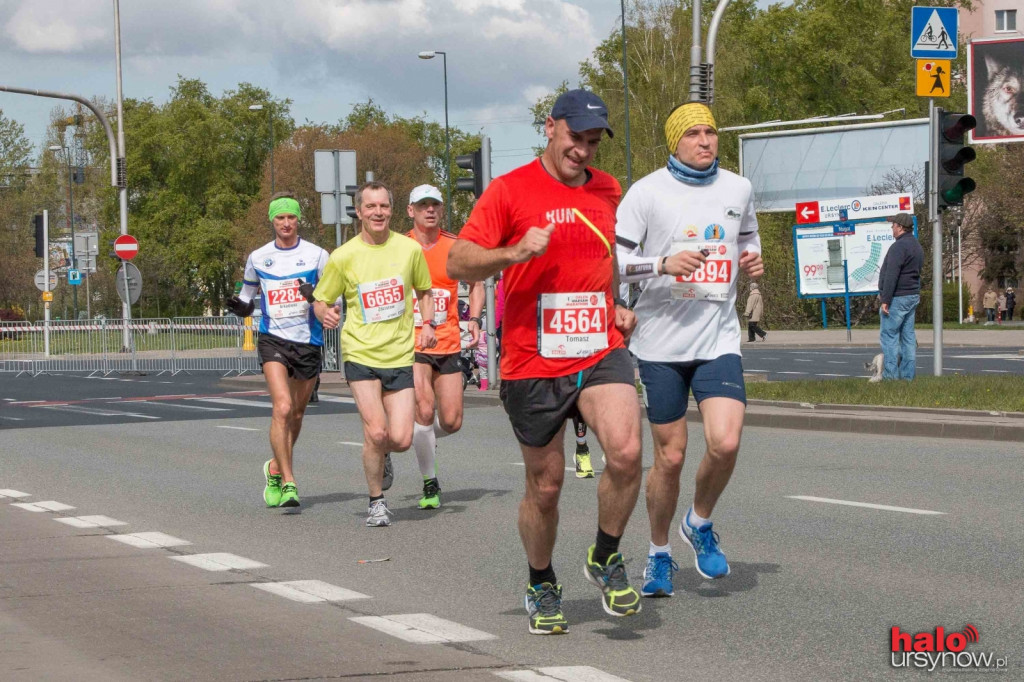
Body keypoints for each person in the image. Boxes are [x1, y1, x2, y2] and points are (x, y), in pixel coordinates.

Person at [448, 88, 644, 635]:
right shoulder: (510, 191)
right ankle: (540, 580)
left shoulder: (608, 189)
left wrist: (616, 307)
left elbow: (601, 256)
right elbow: (458, 259)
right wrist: (513, 253)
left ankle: (606, 554)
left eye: (592, 141)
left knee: (627, 453)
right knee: (547, 485)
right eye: (575, 137)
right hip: (533, 358)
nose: (583, 150)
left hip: (599, 346)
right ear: (550, 128)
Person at [615, 102, 763, 597]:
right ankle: (659, 554)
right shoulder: (646, 192)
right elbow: (615, 264)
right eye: (694, 134)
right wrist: (662, 263)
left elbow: (749, 239)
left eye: (711, 132)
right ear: (674, 141)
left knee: (725, 442)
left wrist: (753, 260)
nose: (705, 141)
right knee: (671, 458)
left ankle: (698, 522)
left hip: (717, 337)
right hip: (659, 343)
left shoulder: (738, 188)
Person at [311, 181, 436, 527]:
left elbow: (424, 290)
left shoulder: (408, 251)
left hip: (398, 355)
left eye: (383, 206)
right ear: (359, 212)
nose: (378, 212)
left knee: (401, 438)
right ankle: (376, 501)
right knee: (377, 432)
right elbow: (321, 300)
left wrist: (428, 324)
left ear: (391, 210)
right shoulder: (344, 256)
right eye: (371, 207)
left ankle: (382, 456)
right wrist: (326, 314)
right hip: (360, 354)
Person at [227, 193, 329, 509]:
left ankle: (273, 467)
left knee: (297, 413)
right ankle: (288, 482)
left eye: (291, 218)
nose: (286, 223)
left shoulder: (317, 256)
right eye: (280, 218)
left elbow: (332, 299)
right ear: (272, 221)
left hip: (307, 342)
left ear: (299, 220)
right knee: (282, 407)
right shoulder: (259, 257)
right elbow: (247, 297)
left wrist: (316, 299)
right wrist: (240, 309)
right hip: (273, 339)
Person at [405, 184, 483, 509]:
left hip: (448, 342)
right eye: (423, 205)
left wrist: (475, 318)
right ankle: (430, 483)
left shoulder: (454, 247)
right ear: (411, 211)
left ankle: (422, 437)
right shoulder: (399, 247)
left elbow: (477, 283)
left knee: (451, 421)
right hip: (410, 343)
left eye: (435, 204)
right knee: (424, 410)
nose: (430, 210)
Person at [877, 212, 924, 380]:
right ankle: (907, 377)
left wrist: (885, 300)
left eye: (894, 225)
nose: (892, 228)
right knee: (908, 337)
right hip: (912, 295)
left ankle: (890, 376)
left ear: (900, 227)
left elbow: (892, 274)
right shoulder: (916, 246)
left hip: (897, 297)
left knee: (889, 337)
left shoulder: (898, 247)